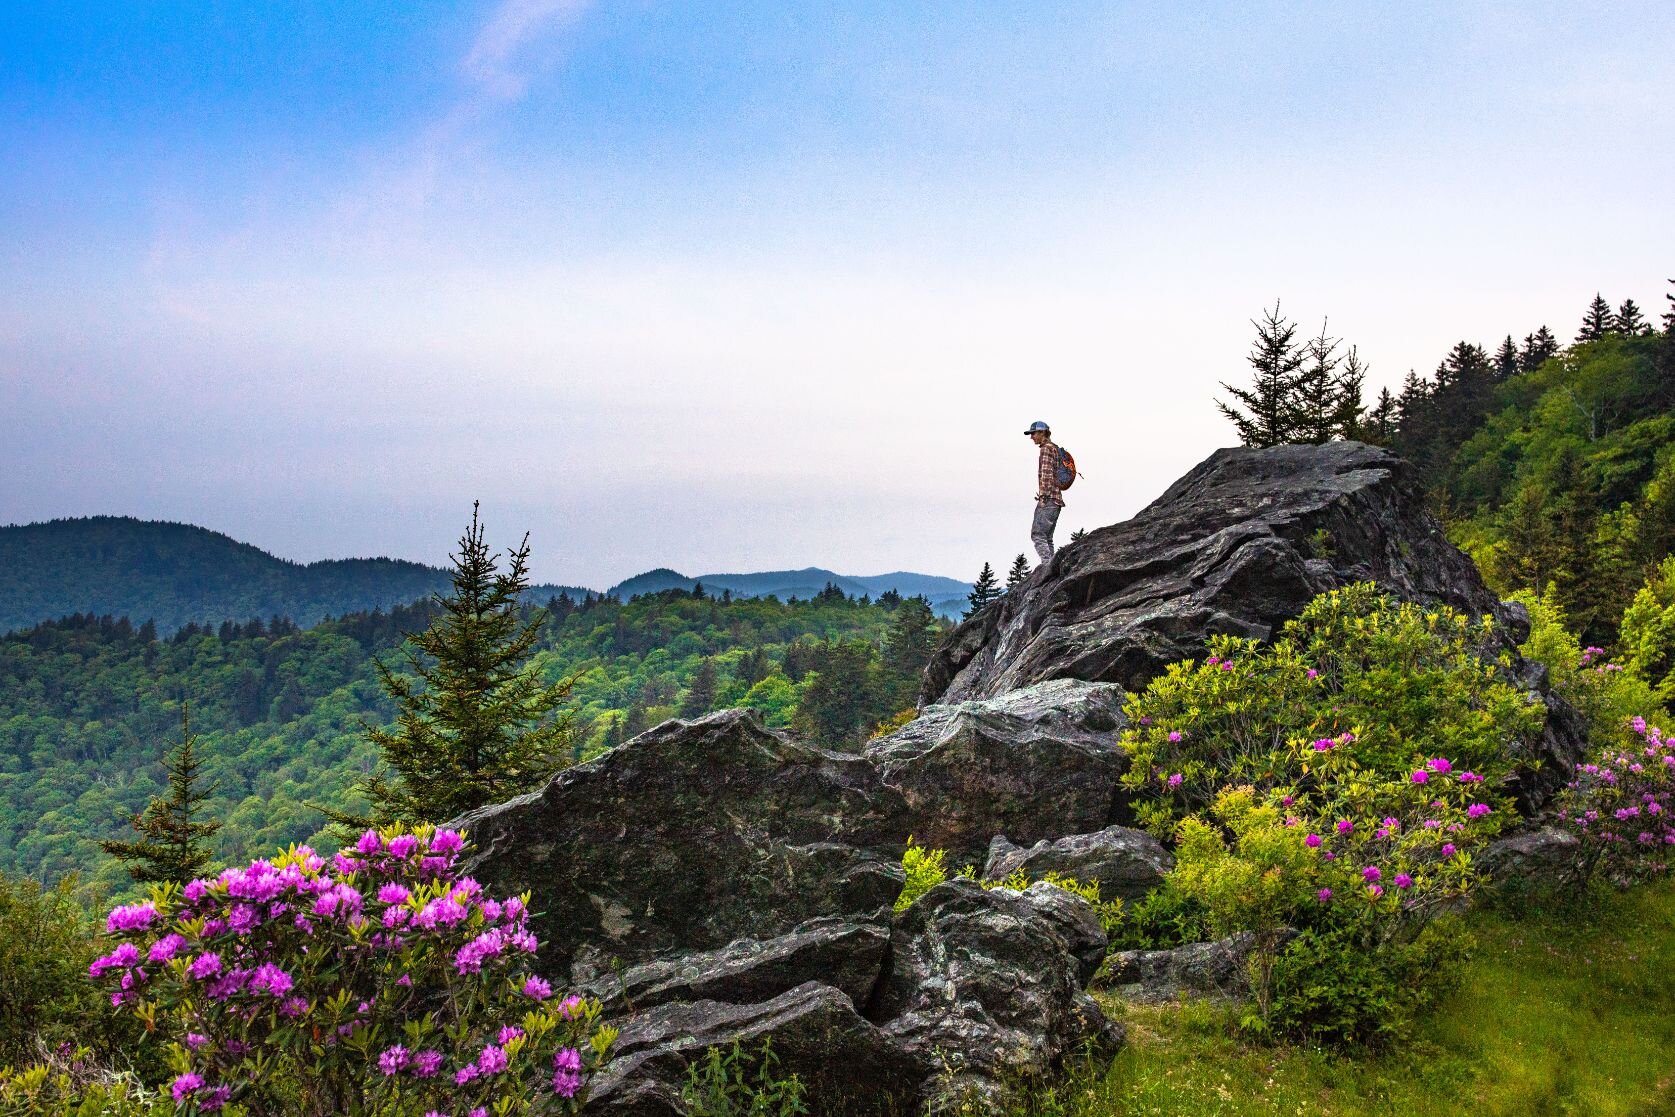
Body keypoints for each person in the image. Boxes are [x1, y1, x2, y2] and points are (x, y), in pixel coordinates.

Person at [1025, 420, 1063, 563]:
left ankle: (1047, 566)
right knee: (1048, 538)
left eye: (1033, 433)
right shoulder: (1055, 448)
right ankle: (1052, 567)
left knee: (1038, 535)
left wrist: (1043, 497)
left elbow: (1046, 474)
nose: (1031, 437)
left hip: (1049, 499)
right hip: (1057, 499)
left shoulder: (1046, 449)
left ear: (1042, 433)